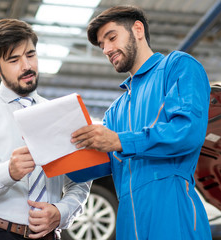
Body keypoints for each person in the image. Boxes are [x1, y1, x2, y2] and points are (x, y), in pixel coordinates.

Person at [71, 5, 212, 240]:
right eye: (101, 45)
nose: (106, 49)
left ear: (138, 29)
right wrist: (52, 152)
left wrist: (119, 140)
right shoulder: (115, 111)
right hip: (128, 223)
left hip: (172, 214)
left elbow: (187, 132)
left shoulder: (177, 67)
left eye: (111, 37)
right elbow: (96, 165)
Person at [0, 19, 91, 240]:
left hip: (47, 234)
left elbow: (79, 183)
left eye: (31, 55)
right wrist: (8, 173)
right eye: (14, 59)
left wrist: (62, 212)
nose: (26, 66)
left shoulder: (61, 114)